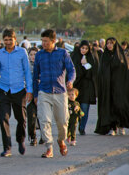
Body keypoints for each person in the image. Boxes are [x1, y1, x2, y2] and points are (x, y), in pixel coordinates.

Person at [33, 29, 76, 158]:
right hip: (43, 92)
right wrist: (35, 94)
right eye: (42, 41)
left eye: (45, 41)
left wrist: (70, 80)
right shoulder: (39, 55)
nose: (43, 43)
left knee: (63, 122)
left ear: (53, 41)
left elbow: (72, 69)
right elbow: (35, 76)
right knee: (44, 120)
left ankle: (61, 140)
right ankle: (49, 147)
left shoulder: (63, 53)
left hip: (60, 92)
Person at [0, 29, 33, 157]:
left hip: (19, 90)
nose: (8, 42)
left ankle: (20, 140)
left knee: (21, 119)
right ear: (3, 40)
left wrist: (29, 90)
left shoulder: (22, 52)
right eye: (6, 40)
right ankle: (7, 147)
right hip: (3, 90)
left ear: (15, 39)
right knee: (3, 118)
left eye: (10, 39)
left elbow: (27, 71)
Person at [95, 37, 129, 136]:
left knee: (120, 106)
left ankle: (121, 125)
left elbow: (125, 72)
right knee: (109, 107)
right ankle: (112, 127)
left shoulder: (121, 57)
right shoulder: (104, 56)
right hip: (108, 87)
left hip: (119, 87)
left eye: (111, 43)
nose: (109, 45)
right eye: (108, 43)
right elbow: (101, 72)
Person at [71, 40, 98, 135]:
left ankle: (82, 128)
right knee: (75, 108)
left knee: (85, 108)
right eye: (82, 48)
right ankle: (76, 125)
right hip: (77, 86)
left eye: (86, 48)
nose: (84, 50)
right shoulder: (74, 57)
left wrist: (86, 64)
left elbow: (92, 73)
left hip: (87, 87)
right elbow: (73, 71)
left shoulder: (91, 58)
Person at [26, 47, 44, 146]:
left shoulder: (42, 65)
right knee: (31, 117)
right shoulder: (26, 67)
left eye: (35, 54)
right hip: (30, 95)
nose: (33, 57)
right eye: (31, 54)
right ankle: (33, 137)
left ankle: (43, 135)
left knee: (42, 117)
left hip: (41, 95)